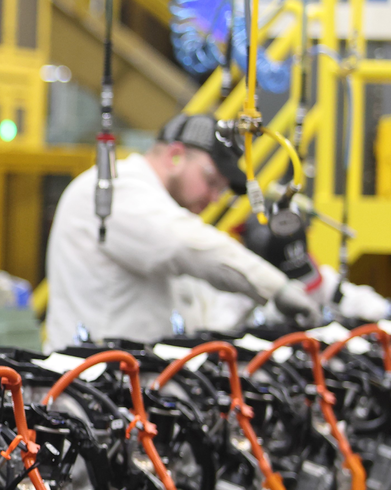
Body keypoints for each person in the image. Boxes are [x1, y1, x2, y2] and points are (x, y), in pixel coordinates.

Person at [44, 113, 319, 346]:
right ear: (175, 156)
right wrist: (277, 288)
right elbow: (186, 247)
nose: (214, 198)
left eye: (221, 190)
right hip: (88, 386)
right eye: (211, 181)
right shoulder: (113, 187)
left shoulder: (162, 208)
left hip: (127, 383)